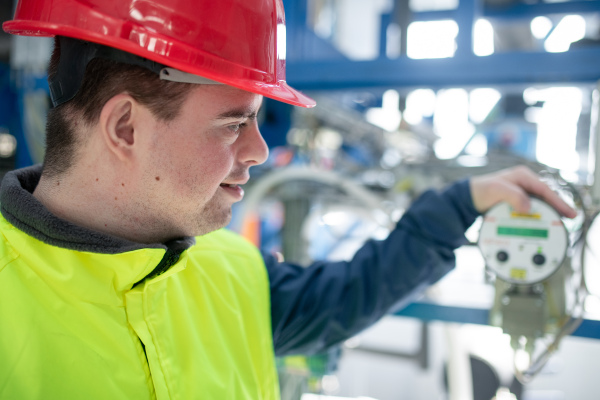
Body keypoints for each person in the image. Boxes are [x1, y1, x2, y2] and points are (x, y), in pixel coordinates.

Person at [0, 0, 576, 399]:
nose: (259, 149)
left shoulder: (228, 271)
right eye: (234, 124)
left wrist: (460, 204)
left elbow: (349, 296)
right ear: (125, 127)